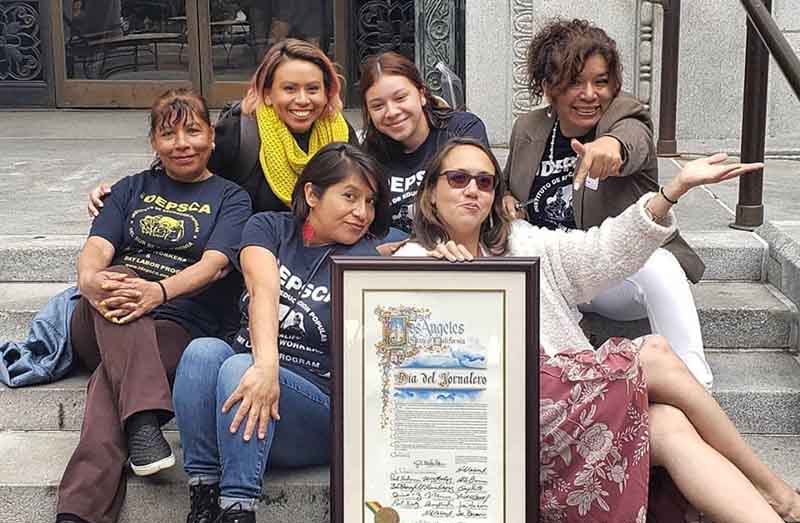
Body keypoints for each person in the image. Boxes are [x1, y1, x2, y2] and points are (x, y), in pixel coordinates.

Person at [396, 136, 800, 523]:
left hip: (575, 423)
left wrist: (671, 193)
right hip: (505, 442)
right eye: (458, 178)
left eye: (485, 182)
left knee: (668, 424)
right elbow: (421, 385)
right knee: (654, 352)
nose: (472, 190)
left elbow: (604, 251)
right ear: (431, 194)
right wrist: (447, 281)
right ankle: (778, 494)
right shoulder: (412, 263)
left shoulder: (524, 243)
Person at [40, 89, 252, 523]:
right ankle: (142, 423)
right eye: (168, 133)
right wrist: (90, 281)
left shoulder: (230, 197)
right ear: (154, 142)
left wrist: (156, 292)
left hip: (177, 323)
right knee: (119, 279)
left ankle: (75, 517)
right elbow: (96, 250)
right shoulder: (130, 189)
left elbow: (215, 265)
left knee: (106, 384)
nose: (182, 143)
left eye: (193, 130)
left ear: (211, 137)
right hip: (102, 315)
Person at [169, 143, 391, 523]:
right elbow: (263, 289)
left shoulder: (375, 252)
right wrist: (266, 364)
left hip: (314, 409)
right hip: (247, 388)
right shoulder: (269, 227)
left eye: (370, 201)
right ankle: (205, 506)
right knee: (202, 352)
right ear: (312, 193)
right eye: (350, 196)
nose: (362, 213)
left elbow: (434, 246)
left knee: (237, 364)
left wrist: (447, 250)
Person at [503, 19, 712, 389]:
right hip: (553, 279)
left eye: (600, 81)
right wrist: (505, 198)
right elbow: (508, 183)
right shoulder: (529, 128)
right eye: (574, 82)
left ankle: (695, 382)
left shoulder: (624, 114)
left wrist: (611, 147)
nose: (589, 94)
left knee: (660, 264)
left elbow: (633, 138)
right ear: (548, 86)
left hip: (610, 276)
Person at [88, 38, 355, 216]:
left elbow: (363, 189)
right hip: (253, 255)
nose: (302, 100)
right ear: (267, 94)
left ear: (327, 92)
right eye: (289, 89)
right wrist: (119, 196)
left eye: (313, 89)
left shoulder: (340, 133)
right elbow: (183, 171)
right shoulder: (242, 131)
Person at [359, 51, 489, 235]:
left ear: (421, 95)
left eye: (400, 98)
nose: (392, 112)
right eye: (378, 106)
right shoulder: (368, 155)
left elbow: (473, 203)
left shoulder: (462, 130)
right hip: (392, 250)